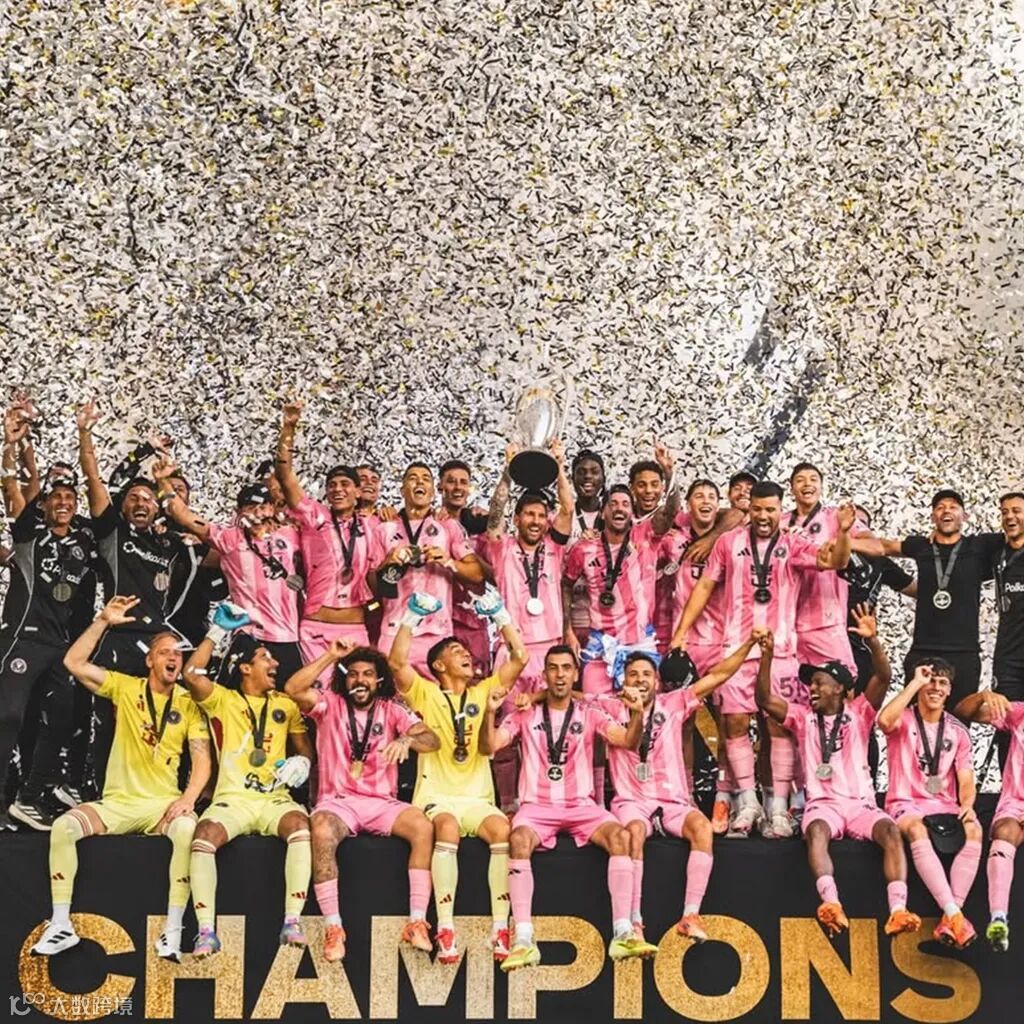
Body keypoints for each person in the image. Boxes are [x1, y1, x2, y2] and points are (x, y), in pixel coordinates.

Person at [31, 596, 211, 961]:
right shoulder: (126, 688)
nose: (173, 658)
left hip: (161, 805)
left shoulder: (189, 703)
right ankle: (61, 924)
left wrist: (187, 799)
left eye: (177, 654)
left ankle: (173, 930)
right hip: (118, 804)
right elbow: (73, 663)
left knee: (186, 830)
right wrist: (102, 621)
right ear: (150, 661)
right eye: (164, 652)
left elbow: (202, 761)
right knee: (64, 827)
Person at [671, 482, 853, 837]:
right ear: (749, 509)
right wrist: (681, 631)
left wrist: (843, 532)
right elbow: (705, 586)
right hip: (736, 651)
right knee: (734, 724)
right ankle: (747, 802)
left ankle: (779, 809)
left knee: (778, 727)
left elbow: (836, 560)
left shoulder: (793, 543)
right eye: (758, 509)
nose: (764, 516)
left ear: (780, 509)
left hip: (780, 651)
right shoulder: (729, 542)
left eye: (771, 509)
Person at [479, 646, 657, 969]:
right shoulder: (524, 713)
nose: (559, 674)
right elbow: (488, 746)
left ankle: (623, 932)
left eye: (566, 668)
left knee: (621, 836)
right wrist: (489, 713)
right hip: (537, 806)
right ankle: (523, 939)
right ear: (544, 675)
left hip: (581, 806)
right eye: (553, 668)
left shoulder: (590, 713)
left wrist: (637, 714)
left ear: (576, 674)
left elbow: (627, 741)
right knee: (518, 839)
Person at [755, 619, 922, 940]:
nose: (812, 689)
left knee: (891, 832)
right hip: (824, 806)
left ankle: (898, 910)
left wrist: (873, 641)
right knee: (816, 831)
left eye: (819, 683)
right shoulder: (802, 717)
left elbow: (883, 676)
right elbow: (764, 699)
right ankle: (831, 903)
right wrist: (767, 657)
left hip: (860, 806)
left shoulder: (860, 712)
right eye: (811, 684)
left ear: (839, 688)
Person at [389, 588, 529, 963]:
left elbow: (520, 656)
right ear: (438, 666)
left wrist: (501, 616)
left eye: (466, 651)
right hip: (437, 797)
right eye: (456, 651)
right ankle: (446, 927)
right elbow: (397, 662)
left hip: (477, 798)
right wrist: (412, 616)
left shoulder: (484, 692)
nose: (466, 654)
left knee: (502, 830)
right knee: (447, 827)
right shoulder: (426, 693)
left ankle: (500, 928)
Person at [284, 640, 440, 963]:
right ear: (345, 678)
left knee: (423, 827)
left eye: (368, 674)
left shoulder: (392, 709)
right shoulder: (329, 704)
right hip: (339, 802)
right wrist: (331, 656)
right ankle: (333, 926)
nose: (360, 680)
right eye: (353, 674)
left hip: (382, 803)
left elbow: (432, 740)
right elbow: (292, 688)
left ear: (379, 679)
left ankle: (416, 922)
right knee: (321, 828)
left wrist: (407, 739)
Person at [604, 633, 763, 944]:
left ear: (657, 682)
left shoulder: (673, 702)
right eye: (633, 674)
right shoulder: (609, 708)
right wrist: (536, 696)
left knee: (702, 827)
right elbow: (568, 695)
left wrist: (747, 646)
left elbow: (718, 675)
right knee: (633, 832)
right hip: (632, 802)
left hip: (672, 801)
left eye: (646, 674)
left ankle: (690, 916)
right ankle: (635, 922)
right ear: (623, 681)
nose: (640, 680)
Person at [182, 604, 314, 957]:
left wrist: (303, 763)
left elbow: (306, 749)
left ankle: (292, 921)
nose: (275, 663)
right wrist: (216, 632)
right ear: (244, 667)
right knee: (204, 835)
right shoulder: (222, 700)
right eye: (265, 658)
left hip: (274, 800)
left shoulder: (286, 704)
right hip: (233, 799)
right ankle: (205, 932)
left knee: (301, 826)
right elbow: (191, 674)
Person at [0, 408, 95, 829]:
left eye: (69, 498)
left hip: (60, 647)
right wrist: (12, 444)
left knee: (63, 719)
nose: (63, 502)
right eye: (55, 497)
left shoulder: (84, 544)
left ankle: (29, 797)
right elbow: (12, 485)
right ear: (43, 504)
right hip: (22, 639)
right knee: (9, 717)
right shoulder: (28, 536)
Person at [156, 459, 305, 687]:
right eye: (250, 507)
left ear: (272, 508)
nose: (257, 513)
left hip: (287, 638)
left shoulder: (291, 536)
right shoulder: (229, 539)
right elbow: (183, 514)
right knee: (234, 701)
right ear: (239, 513)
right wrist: (162, 480)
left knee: (292, 700)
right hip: (248, 637)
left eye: (263, 506)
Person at [851, 489, 1002, 708]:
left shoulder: (979, 546)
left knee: (958, 720)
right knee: (914, 718)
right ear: (932, 517)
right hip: (923, 650)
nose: (946, 511)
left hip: (964, 653)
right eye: (940, 508)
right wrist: (843, 541)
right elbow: (885, 546)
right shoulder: (922, 546)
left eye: (953, 507)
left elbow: (1015, 536)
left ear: (965, 516)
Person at [877, 660, 980, 949]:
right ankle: (955, 914)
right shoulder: (904, 719)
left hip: (943, 805)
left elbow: (966, 780)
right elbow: (883, 721)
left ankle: (952, 916)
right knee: (916, 829)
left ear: (950, 691)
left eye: (942, 683)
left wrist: (968, 804)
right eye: (930, 681)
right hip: (905, 802)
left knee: (974, 829)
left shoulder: (958, 731)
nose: (935, 687)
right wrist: (915, 683)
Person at [276, 402, 378, 668]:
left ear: (358, 491)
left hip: (355, 628)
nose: (337, 489)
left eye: (345, 484)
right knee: (316, 692)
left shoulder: (373, 527)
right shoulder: (314, 516)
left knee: (358, 690)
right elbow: (285, 476)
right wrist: (289, 428)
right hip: (316, 628)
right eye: (331, 485)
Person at [369, 462, 485, 676]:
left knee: (439, 696)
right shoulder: (384, 528)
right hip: (395, 631)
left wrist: (448, 561)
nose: (419, 482)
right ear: (402, 490)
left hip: (437, 633)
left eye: (425, 479)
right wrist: (388, 564)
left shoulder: (447, 526)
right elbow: (372, 587)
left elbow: (477, 574)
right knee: (392, 696)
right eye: (412, 478)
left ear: (433, 491)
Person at [563, 483, 676, 695]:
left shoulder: (646, 537)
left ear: (632, 513)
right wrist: (567, 629)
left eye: (625, 504)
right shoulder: (584, 549)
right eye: (613, 504)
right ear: (603, 512)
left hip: (641, 646)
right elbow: (566, 584)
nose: (619, 508)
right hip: (600, 647)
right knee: (597, 709)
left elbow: (670, 512)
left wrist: (670, 476)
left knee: (642, 710)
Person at [956, 688, 1023, 952]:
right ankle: (998, 919)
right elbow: (962, 712)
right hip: (1014, 804)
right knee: (1004, 832)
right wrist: (984, 695)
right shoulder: (1019, 713)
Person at [787, 463, 865, 674]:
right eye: (800, 480)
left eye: (813, 479)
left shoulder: (835, 517)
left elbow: (873, 543)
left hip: (826, 619)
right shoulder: (781, 522)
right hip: (787, 622)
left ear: (821, 486)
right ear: (791, 488)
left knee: (842, 680)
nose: (807, 484)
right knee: (790, 686)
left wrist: (841, 541)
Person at [839, 505, 916, 692]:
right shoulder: (829, 554)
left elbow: (916, 589)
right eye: (851, 523)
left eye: (860, 524)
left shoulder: (880, 562)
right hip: (826, 639)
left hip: (859, 643)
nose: (854, 528)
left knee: (856, 702)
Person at [437, 458, 491, 677]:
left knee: (476, 683)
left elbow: (497, 576)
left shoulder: (479, 525)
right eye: (451, 481)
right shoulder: (429, 523)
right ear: (440, 486)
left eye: (463, 482)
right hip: (438, 620)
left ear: (469, 488)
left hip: (473, 621)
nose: (457, 487)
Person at [991, 492, 1024, 703]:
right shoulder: (996, 553)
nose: (1009, 516)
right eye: (1004, 512)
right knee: (1006, 718)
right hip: (1008, 660)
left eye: (1016, 511)